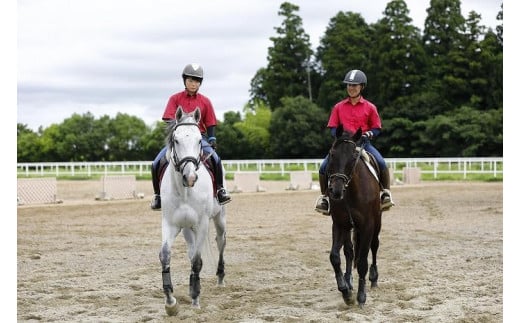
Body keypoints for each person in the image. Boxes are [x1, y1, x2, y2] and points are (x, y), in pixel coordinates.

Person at [150, 63, 231, 210]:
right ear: (184, 81)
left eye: (197, 81)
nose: (193, 84)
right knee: (156, 163)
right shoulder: (174, 99)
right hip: (179, 140)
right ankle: (158, 196)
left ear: (200, 83)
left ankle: (220, 190)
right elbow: (169, 119)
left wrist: (212, 138)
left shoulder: (205, 101)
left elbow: (210, 122)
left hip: (198, 138)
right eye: (190, 81)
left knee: (216, 159)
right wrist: (177, 133)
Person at [314, 69, 394, 215]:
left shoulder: (370, 107)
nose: (351, 88)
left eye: (355, 85)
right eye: (349, 85)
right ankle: (325, 198)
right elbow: (332, 127)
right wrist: (340, 137)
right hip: (343, 146)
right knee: (323, 166)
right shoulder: (338, 107)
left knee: (381, 162)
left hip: (364, 144)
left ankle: (385, 194)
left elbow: (376, 127)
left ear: (361, 87)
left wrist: (368, 134)